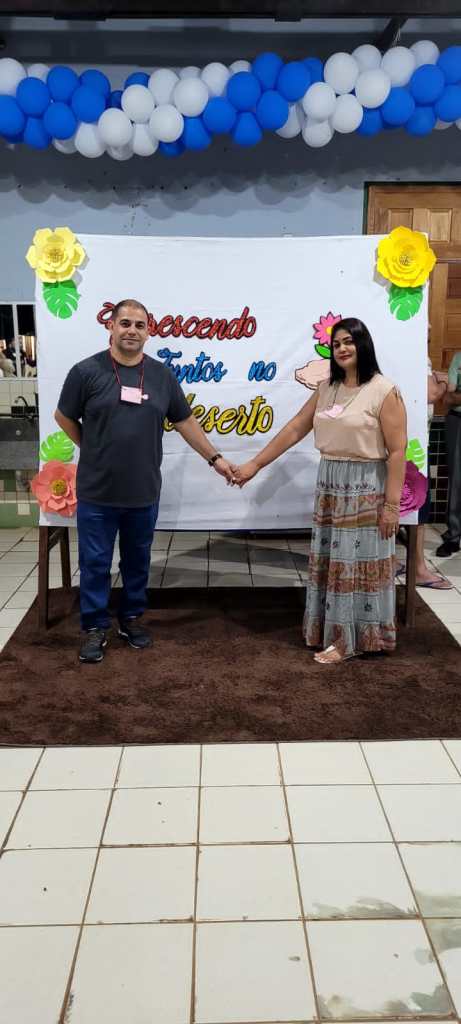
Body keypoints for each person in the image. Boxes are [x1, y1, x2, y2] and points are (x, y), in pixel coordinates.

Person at [55, 298, 235, 664]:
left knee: (137, 561)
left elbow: (185, 421)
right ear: (111, 326)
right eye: (125, 323)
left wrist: (215, 459)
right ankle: (95, 626)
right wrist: (91, 446)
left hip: (143, 492)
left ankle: (131, 618)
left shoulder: (161, 376)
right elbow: (63, 416)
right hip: (97, 492)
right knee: (95, 563)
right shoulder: (85, 372)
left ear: (148, 332)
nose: (131, 331)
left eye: (139, 325)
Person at [233, 318, 407, 665]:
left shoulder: (384, 390)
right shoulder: (327, 387)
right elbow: (296, 427)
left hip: (365, 487)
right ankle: (331, 632)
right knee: (334, 563)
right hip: (331, 483)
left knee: (357, 565)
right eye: (336, 343)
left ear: (363, 345)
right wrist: (255, 465)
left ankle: (352, 640)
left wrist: (391, 506)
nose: (342, 348)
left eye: (349, 341)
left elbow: (398, 451)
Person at [436, 350, 461, 558]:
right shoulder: (458, 358)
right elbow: (448, 398)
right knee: (456, 480)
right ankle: (454, 535)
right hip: (457, 420)